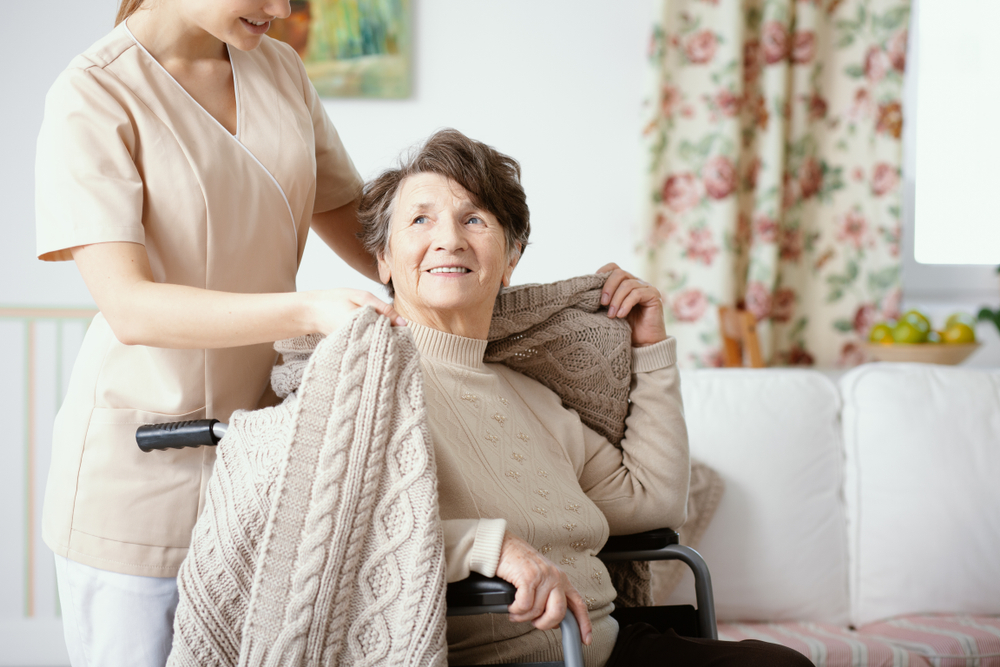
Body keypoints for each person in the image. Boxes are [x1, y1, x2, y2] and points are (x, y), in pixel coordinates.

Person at [357, 129, 814, 667]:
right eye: (420, 219)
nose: (449, 239)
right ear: (384, 259)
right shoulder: (368, 389)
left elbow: (654, 502)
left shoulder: (534, 397)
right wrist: (491, 546)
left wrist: (649, 347)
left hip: (606, 645)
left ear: (511, 258)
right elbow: (353, 529)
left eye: (474, 219)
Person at [34, 1, 404, 665]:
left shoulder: (280, 71)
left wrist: (471, 271)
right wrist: (308, 311)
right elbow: (130, 306)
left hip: (260, 467)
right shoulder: (93, 92)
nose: (283, 9)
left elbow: (361, 227)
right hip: (140, 476)